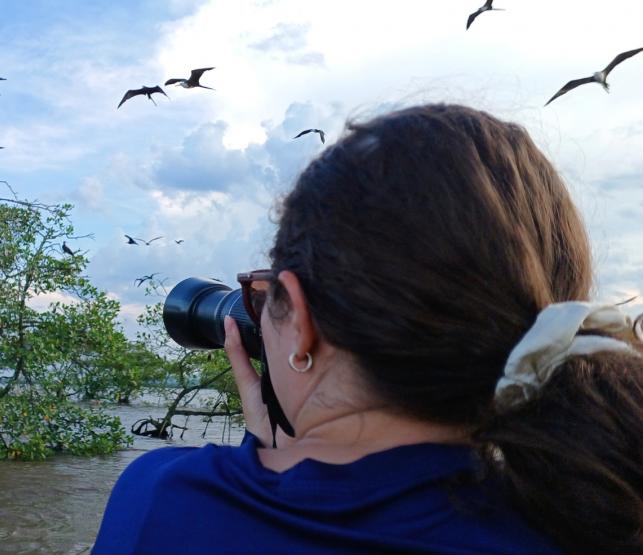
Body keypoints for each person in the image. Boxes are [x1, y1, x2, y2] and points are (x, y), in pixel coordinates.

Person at [92, 104, 643, 554]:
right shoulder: (596, 519)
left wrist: (264, 457)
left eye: (263, 299)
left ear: (302, 325)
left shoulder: (168, 501)